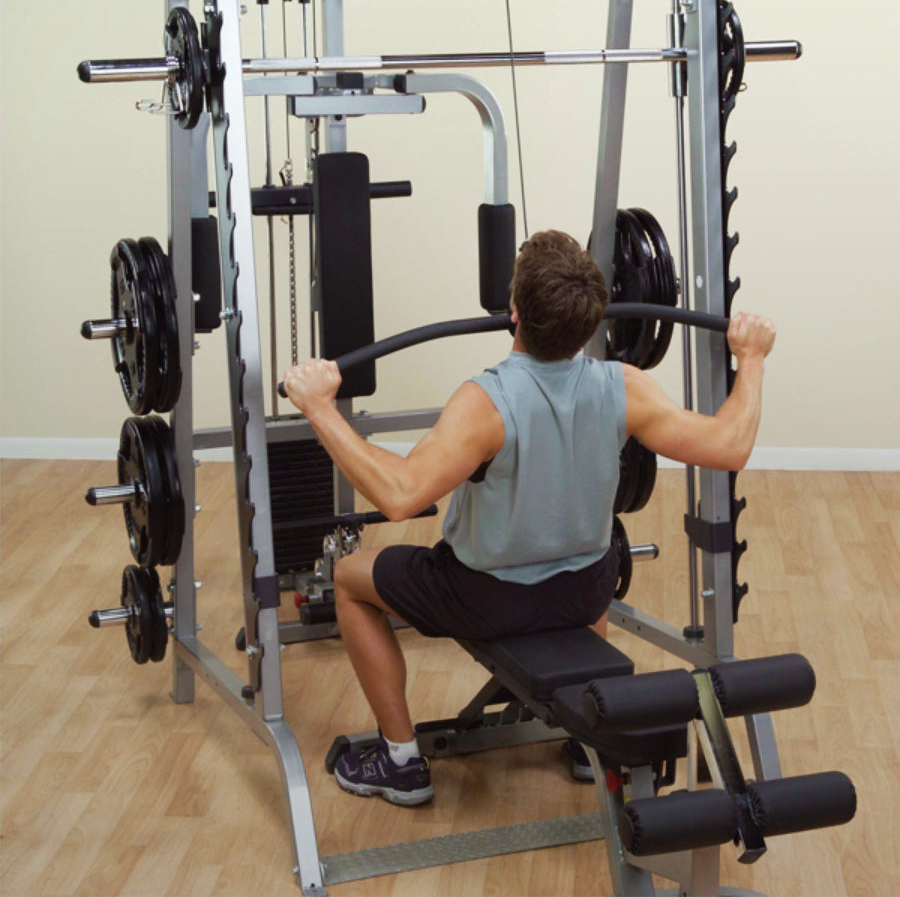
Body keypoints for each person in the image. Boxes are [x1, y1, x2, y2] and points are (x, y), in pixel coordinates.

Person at [282, 230, 775, 807]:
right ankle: (584, 737)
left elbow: (398, 495)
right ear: (590, 321)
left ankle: (399, 761)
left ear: (514, 313)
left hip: (483, 599)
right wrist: (753, 359)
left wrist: (318, 407)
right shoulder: (624, 387)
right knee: (597, 553)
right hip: (586, 592)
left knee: (350, 580)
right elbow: (729, 444)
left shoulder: (486, 402)